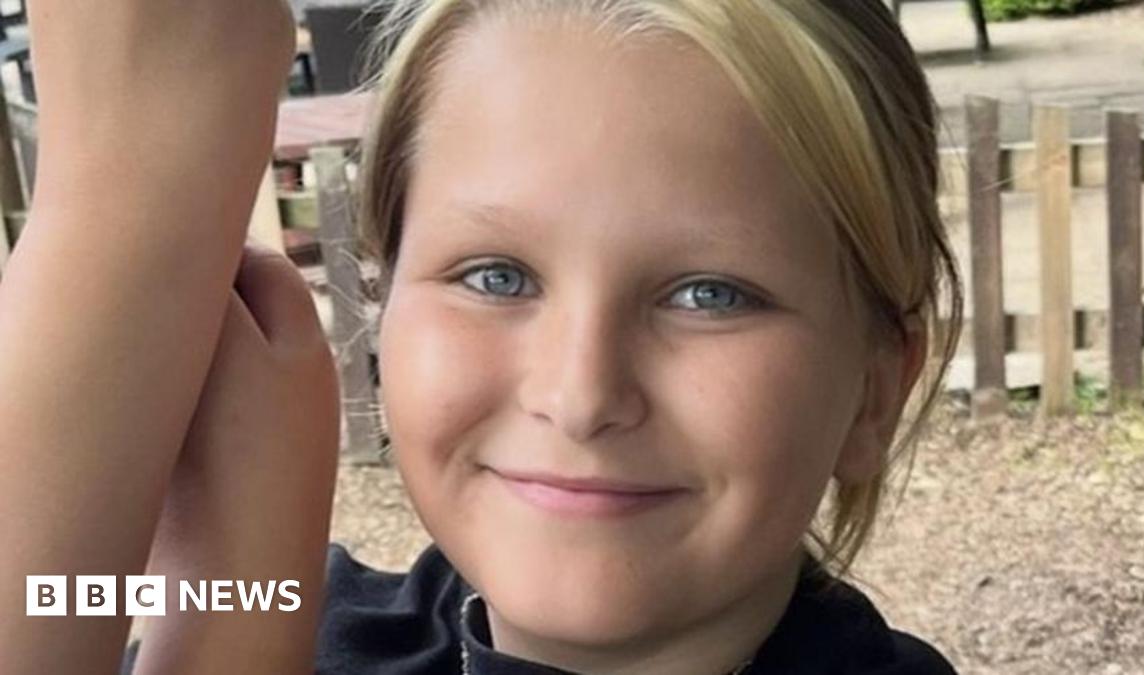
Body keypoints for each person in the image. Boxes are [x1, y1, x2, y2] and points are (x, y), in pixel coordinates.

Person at [1, 0, 962, 673]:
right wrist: (237, 584)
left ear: (877, 390)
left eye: (710, 294)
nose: (580, 394)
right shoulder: (313, 611)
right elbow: (55, 603)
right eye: (496, 277)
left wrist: (128, 188)